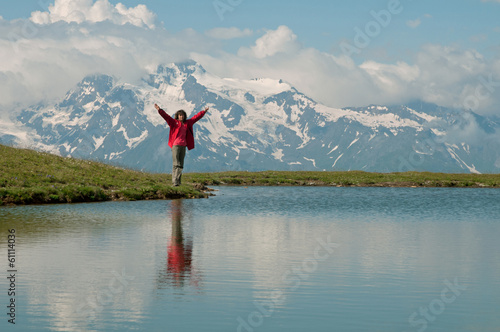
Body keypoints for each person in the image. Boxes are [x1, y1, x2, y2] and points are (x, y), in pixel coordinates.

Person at [155, 103, 209, 186]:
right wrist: (159, 110)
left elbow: (196, 117)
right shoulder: (173, 123)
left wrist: (204, 112)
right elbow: (166, 117)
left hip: (183, 146)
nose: (181, 117)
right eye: (180, 115)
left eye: (182, 115)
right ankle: (175, 182)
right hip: (175, 145)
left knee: (181, 165)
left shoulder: (188, 123)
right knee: (176, 164)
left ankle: (178, 182)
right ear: (177, 116)